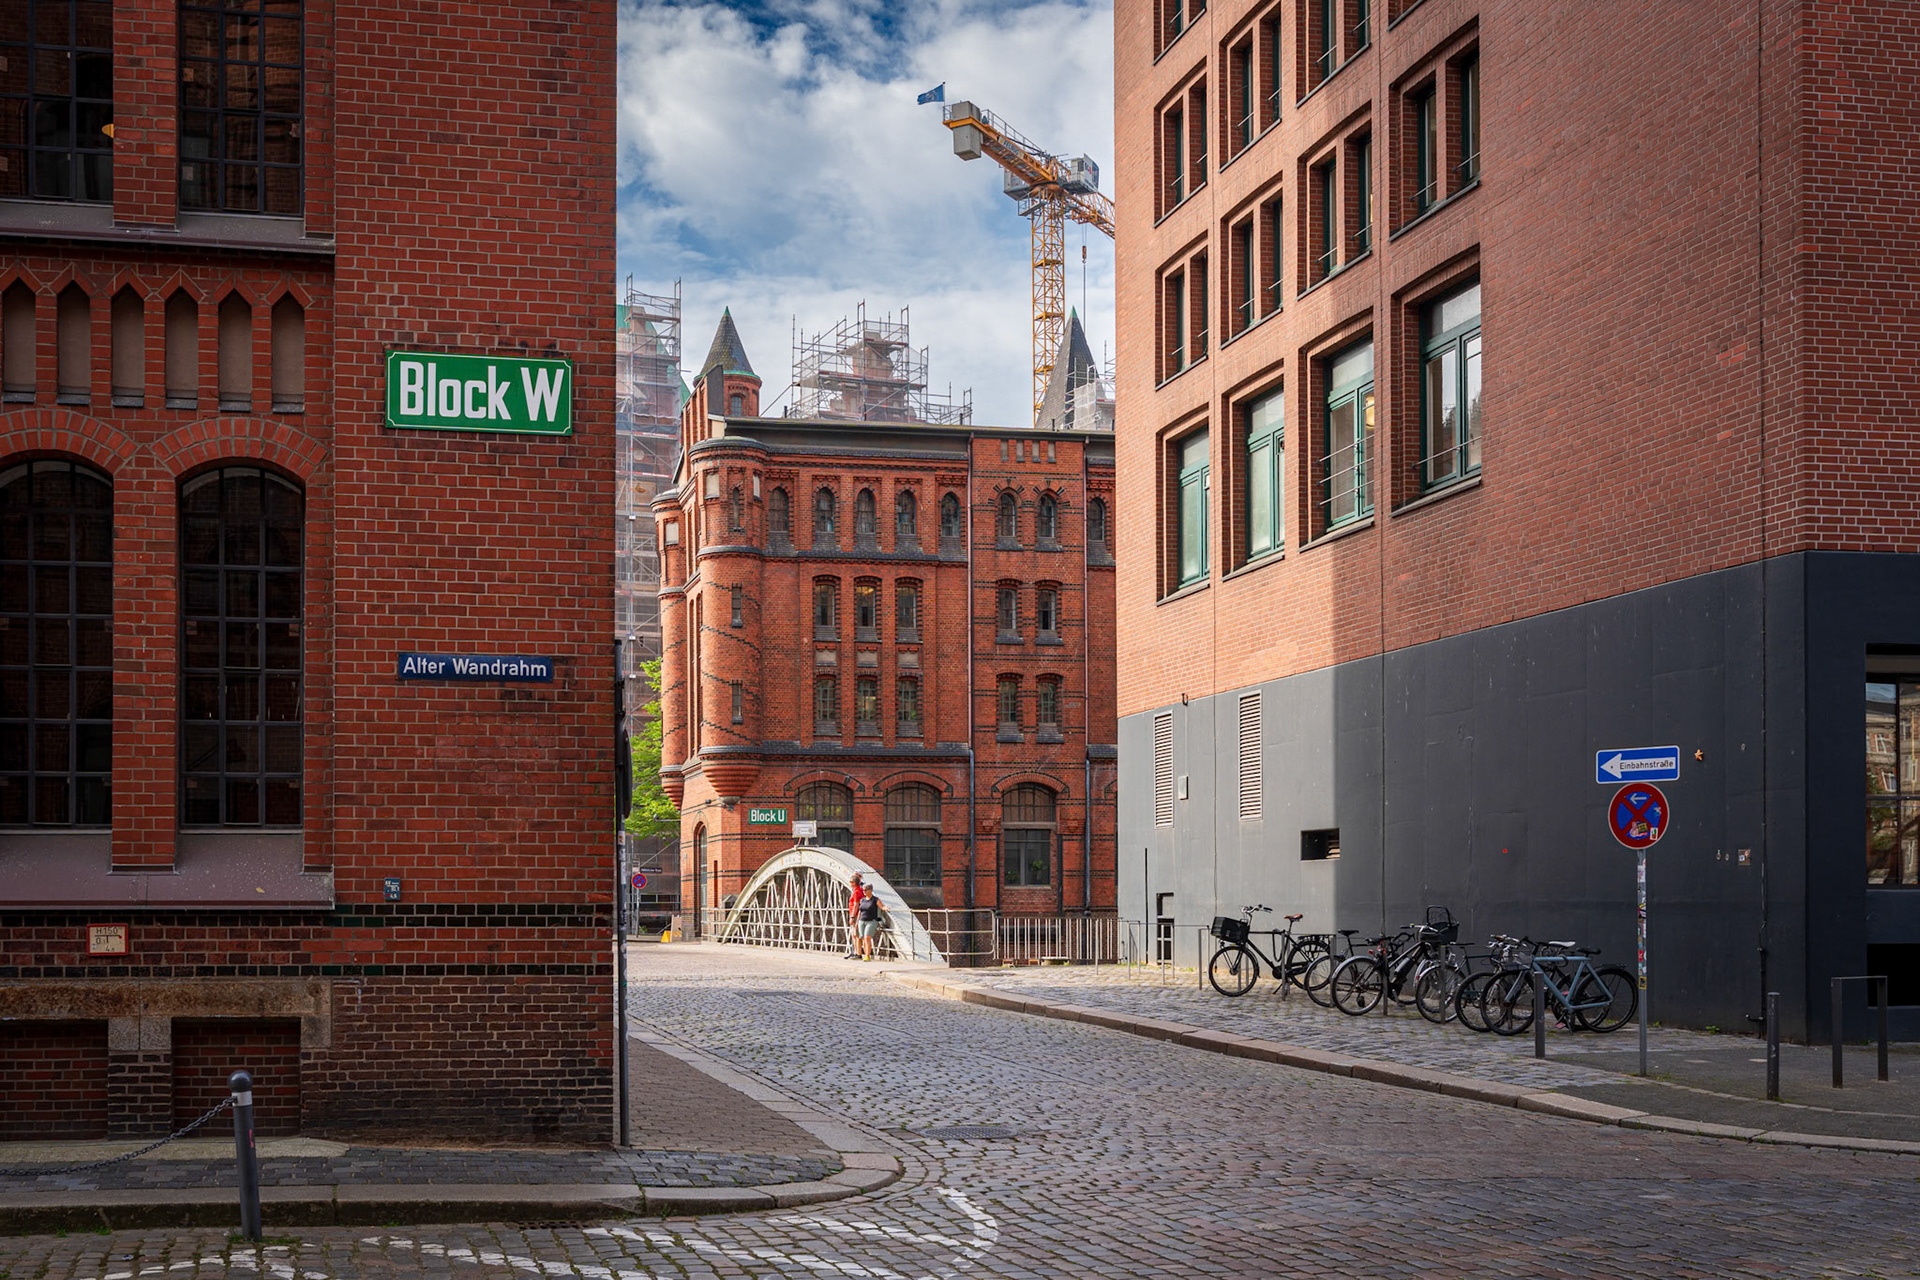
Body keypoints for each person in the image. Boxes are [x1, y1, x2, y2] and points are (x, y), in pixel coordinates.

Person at [857, 883, 883, 961]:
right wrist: (857, 922)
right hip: (862, 921)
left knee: (867, 937)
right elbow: (860, 911)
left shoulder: (875, 900)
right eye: (863, 890)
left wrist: (885, 908)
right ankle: (865, 954)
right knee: (863, 939)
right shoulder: (862, 900)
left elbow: (881, 906)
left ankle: (868, 955)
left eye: (865, 890)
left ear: (870, 890)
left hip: (871, 921)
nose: (864, 891)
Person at [845, 874, 865, 959]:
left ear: (853, 883)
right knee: (855, 934)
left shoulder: (856, 892)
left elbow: (856, 905)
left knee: (856, 934)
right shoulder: (858, 890)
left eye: (850, 881)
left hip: (856, 915)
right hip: (856, 914)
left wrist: (852, 917)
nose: (849, 883)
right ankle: (856, 952)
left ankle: (858, 953)